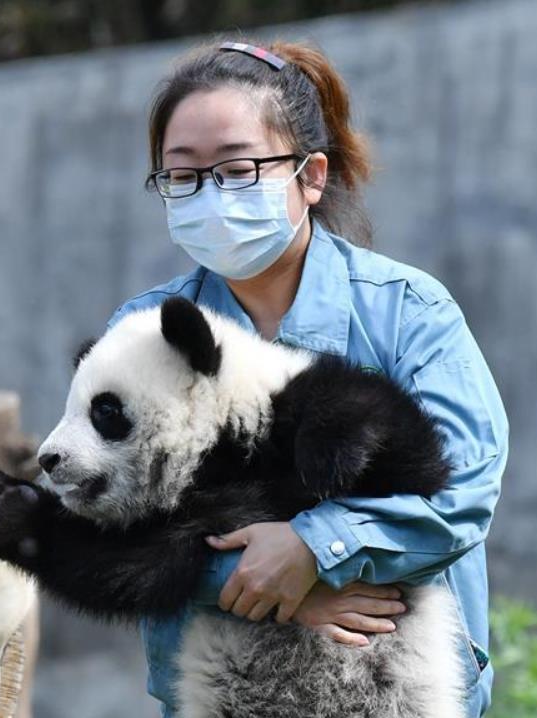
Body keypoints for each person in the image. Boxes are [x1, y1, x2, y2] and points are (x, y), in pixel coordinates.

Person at [106, 40, 508, 717]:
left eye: (235, 170)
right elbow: (103, 514)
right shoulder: (142, 331)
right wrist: (260, 578)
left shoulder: (405, 311)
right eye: (182, 177)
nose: (208, 195)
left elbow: (462, 490)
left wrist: (315, 547)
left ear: (310, 175)